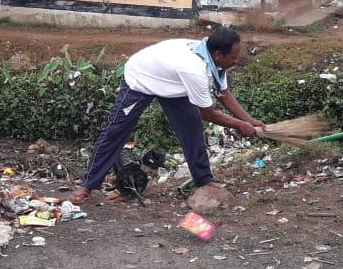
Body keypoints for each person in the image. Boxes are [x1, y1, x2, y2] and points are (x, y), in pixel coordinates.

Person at [67, 27, 265, 204]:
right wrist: (239, 125)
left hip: (172, 83)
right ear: (218, 54)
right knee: (116, 130)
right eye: (233, 57)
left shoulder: (214, 61)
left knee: (191, 126)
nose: (236, 61)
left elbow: (223, 93)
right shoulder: (194, 69)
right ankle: (88, 184)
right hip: (142, 78)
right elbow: (208, 113)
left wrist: (250, 121)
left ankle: (204, 180)